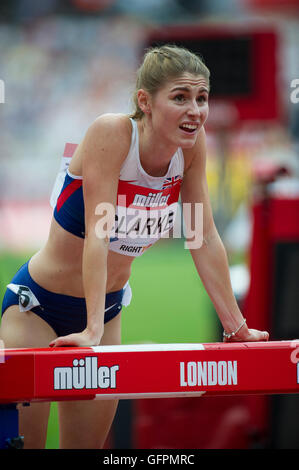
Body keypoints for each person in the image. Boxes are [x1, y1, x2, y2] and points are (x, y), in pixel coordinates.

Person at [0, 44, 269, 449]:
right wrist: (88, 329)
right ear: (145, 101)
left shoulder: (192, 149)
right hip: (37, 308)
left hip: (106, 313)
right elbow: (99, 232)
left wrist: (237, 327)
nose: (195, 110)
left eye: (202, 98)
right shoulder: (112, 133)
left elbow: (203, 236)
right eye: (180, 97)